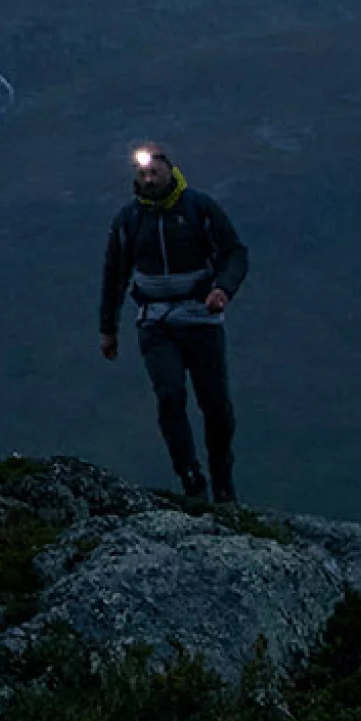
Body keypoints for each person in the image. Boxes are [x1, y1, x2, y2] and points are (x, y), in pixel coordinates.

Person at [99, 143, 249, 506]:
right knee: (169, 397)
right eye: (142, 175)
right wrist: (108, 328)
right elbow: (115, 274)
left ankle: (223, 483)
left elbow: (234, 253)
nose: (149, 180)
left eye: (155, 172)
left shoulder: (199, 208)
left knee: (215, 405)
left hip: (201, 319)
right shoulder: (129, 220)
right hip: (155, 323)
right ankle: (190, 479)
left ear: (171, 171)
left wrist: (223, 289)